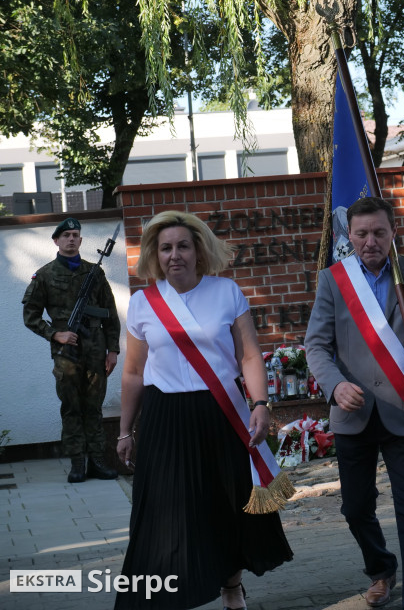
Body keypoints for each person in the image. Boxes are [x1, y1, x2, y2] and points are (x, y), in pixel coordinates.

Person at [115, 210, 292, 610]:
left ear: (199, 250)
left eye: (182, 246)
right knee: (165, 510)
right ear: (154, 255)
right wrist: (126, 431)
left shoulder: (226, 292)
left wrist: (261, 403)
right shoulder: (143, 303)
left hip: (220, 413)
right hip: (164, 418)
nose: (174, 254)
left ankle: (231, 586)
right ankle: (165, 595)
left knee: (225, 503)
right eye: (165, 248)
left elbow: (249, 355)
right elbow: (132, 373)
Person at [305, 196, 404, 610]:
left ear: (394, 233)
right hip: (351, 413)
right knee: (356, 509)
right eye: (361, 234)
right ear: (349, 236)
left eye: (378, 232)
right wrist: (335, 385)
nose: (370, 241)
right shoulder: (332, 281)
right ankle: (381, 567)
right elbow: (316, 346)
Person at [23, 217, 121, 484]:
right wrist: (55, 334)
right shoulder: (44, 275)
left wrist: (113, 350)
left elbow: (110, 315)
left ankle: (97, 461)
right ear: (56, 240)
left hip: (96, 352)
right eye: (66, 235)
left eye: (76, 234)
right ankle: (78, 463)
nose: (71, 239)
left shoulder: (95, 273)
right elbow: (30, 316)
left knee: (94, 408)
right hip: (66, 356)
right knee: (71, 408)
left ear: (80, 240)